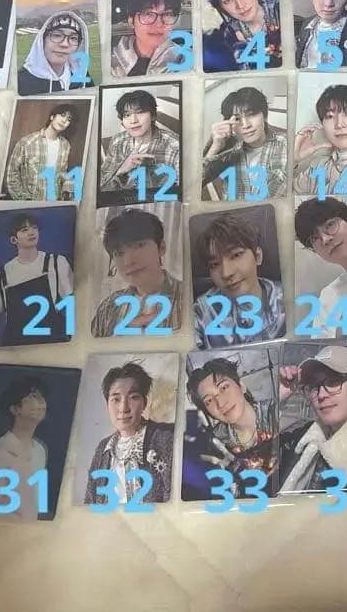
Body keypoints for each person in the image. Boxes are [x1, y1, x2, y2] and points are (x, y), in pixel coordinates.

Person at [275, 346, 347, 492]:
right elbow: (254, 457)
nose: (321, 395)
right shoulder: (302, 439)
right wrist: (277, 398)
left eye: (333, 382)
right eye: (313, 387)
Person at [84, 361, 175, 506]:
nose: (123, 408)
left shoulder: (166, 437)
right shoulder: (103, 448)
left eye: (133, 397)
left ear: (144, 402)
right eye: (116, 399)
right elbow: (90, 504)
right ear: (107, 404)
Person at [192, 212, 285, 348]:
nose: (226, 273)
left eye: (236, 255)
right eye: (214, 264)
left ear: (258, 256)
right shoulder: (202, 311)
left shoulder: (287, 299)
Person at [186, 357, 279, 492]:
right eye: (209, 401)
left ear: (241, 386)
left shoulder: (276, 413)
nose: (220, 403)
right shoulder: (215, 443)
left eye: (224, 387)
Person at [0, 212, 74, 346]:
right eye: (24, 230)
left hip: (53, 345)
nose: (31, 232)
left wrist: (72, 340)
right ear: (14, 240)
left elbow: (71, 305)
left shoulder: (56, 263)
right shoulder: (0, 275)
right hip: (16, 348)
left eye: (34, 228)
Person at [91, 209, 183, 337]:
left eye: (139, 246)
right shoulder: (108, 307)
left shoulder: (188, 297)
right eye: (119, 253)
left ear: (161, 247)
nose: (128, 262)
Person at [0, 375, 49, 519]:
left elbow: (36, 502)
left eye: (42, 397)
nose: (41, 403)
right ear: (15, 409)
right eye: (32, 397)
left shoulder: (40, 451)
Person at [294, 197, 347, 338]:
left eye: (330, 225)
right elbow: (322, 348)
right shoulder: (328, 296)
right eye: (315, 238)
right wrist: (341, 335)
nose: (325, 239)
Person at [201, 86, 287, 200]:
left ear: (265, 116)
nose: (246, 125)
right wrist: (215, 147)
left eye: (251, 114)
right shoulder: (228, 150)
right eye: (237, 119)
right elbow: (195, 185)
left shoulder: (286, 144)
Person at [292, 84, 347, 195]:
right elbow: (282, 198)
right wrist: (294, 160)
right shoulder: (318, 166)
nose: (339, 124)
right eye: (330, 116)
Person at [98, 89, 181, 202]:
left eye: (140, 112)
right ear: (122, 121)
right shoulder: (117, 141)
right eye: (127, 115)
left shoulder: (174, 145)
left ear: (153, 116)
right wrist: (121, 169)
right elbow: (102, 184)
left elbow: (183, 193)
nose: (133, 120)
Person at [201, 0, 282, 72]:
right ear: (221, 8)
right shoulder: (229, 35)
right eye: (228, 1)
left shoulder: (279, 11)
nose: (240, 5)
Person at [111, 0, 185, 77]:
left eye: (167, 14)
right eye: (149, 14)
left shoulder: (185, 61)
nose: (159, 24)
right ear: (131, 19)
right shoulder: (111, 64)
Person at [4, 103, 78, 201]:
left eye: (69, 119)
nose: (64, 120)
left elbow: (61, 174)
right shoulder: (27, 142)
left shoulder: (65, 146)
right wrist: (22, 201)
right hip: (30, 202)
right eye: (62, 115)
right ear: (52, 117)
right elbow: (11, 174)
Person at [17, 12, 93, 95]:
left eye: (73, 38)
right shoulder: (20, 82)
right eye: (57, 35)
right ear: (42, 40)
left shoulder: (80, 73)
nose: (65, 44)